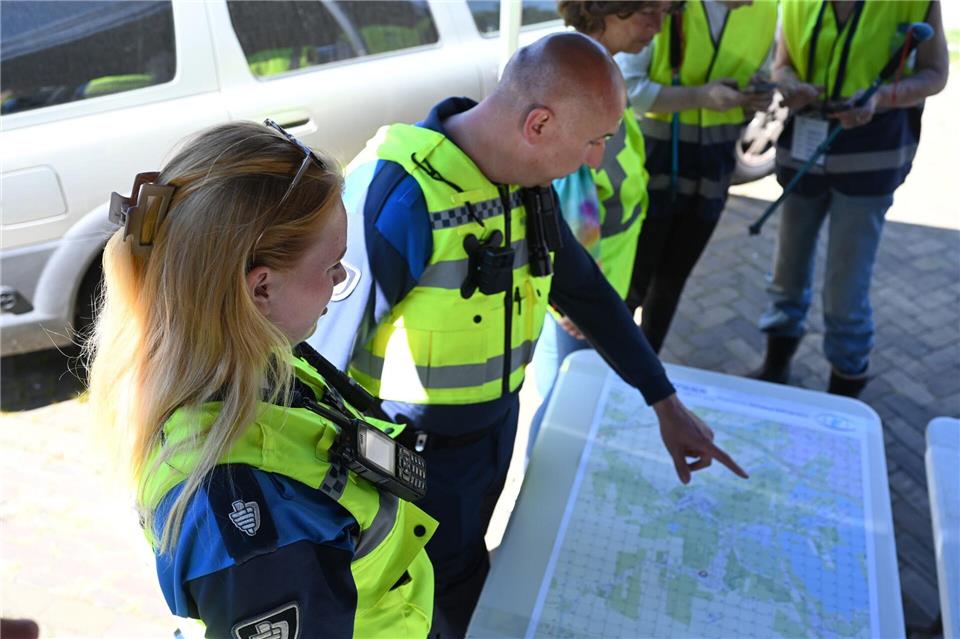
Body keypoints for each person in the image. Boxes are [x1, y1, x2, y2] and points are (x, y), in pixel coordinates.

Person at [308, 33, 748, 638]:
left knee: (464, 586)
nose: (597, 158)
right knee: (408, 604)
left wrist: (662, 399)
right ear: (539, 124)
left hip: (488, 446)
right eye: (594, 140)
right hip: (407, 464)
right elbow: (312, 364)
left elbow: (589, 295)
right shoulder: (400, 197)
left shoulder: (525, 186)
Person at [85, 121, 438, 637]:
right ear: (261, 289)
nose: (340, 280)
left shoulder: (251, 362)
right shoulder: (247, 511)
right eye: (333, 265)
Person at [753, 0, 948, 397]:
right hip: (804, 150)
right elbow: (782, 63)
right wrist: (790, 84)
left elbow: (935, 73)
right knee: (786, 273)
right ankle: (774, 371)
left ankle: (843, 392)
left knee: (846, 289)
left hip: (872, 155)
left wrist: (881, 99)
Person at [527, 1, 668, 452]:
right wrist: (576, 304)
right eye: (648, 12)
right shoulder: (584, 84)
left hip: (597, 288)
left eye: (666, 12)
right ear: (609, 9)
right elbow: (571, 208)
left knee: (569, 398)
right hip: (582, 300)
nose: (658, 27)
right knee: (564, 409)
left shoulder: (600, 71)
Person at [619, 0, 778, 353]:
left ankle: (647, 372)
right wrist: (700, 97)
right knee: (630, 284)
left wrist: (757, 95)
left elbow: (763, 72)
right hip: (652, 167)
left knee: (672, 281)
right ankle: (610, 373)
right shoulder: (666, 6)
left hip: (713, 170)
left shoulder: (767, 9)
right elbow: (627, 88)